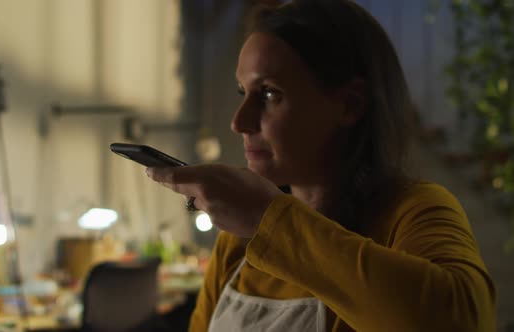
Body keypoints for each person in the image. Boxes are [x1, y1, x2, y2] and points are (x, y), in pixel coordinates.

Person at [146, 0, 496, 331]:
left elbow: (461, 322)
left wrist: (269, 219)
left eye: (269, 94)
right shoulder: (237, 244)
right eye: (243, 93)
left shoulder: (414, 211)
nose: (240, 122)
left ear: (350, 105)